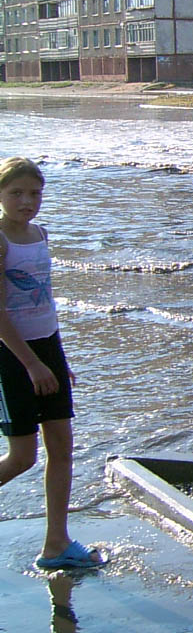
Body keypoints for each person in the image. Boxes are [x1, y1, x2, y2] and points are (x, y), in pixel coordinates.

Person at [0, 158, 101, 570]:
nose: (27, 201)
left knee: (61, 447)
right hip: (11, 356)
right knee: (23, 457)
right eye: (16, 193)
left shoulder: (41, 234)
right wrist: (31, 364)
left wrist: (58, 361)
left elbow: (44, 302)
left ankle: (56, 544)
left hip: (48, 350)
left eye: (35, 193)